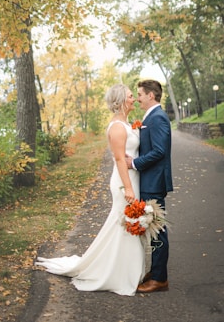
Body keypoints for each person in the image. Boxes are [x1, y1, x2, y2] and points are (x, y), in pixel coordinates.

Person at [35, 83, 146, 296]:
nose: (134, 99)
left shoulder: (127, 123)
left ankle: (126, 270)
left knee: (126, 226)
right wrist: (129, 189)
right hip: (124, 182)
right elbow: (119, 159)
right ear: (122, 100)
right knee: (125, 225)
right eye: (131, 96)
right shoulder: (116, 127)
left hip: (133, 178)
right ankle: (117, 274)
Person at [126, 79, 173, 293]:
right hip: (149, 181)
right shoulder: (151, 117)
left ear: (151, 96)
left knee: (157, 231)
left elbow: (159, 151)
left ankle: (160, 279)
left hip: (154, 183)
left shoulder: (158, 118)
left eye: (140, 94)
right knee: (153, 229)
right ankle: (155, 273)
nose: (137, 99)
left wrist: (134, 163)